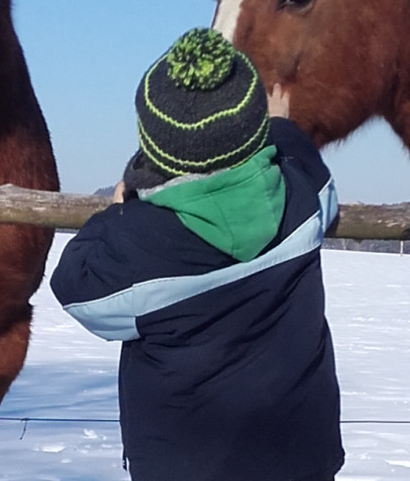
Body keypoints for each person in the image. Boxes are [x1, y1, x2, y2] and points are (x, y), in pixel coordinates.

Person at [50, 27, 344, 481]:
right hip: (302, 461)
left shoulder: (138, 246)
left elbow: (75, 286)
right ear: (253, 131)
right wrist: (279, 124)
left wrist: (118, 211)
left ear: (154, 148)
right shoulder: (304, 195)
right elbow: (299, 154)